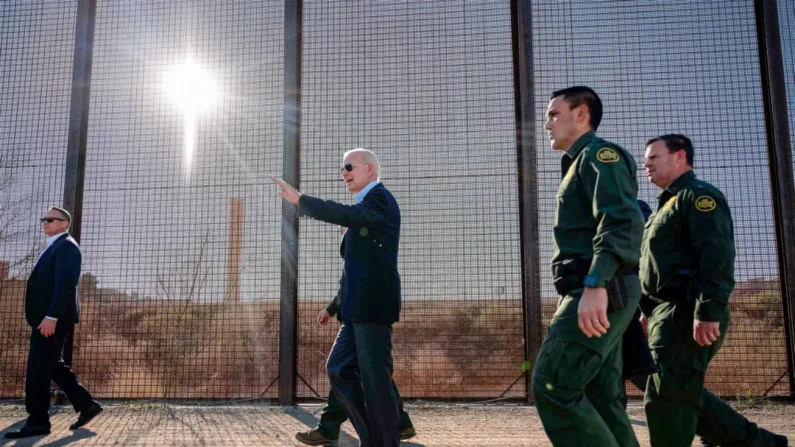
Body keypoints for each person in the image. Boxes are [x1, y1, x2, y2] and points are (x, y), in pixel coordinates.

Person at [640, 134, 788, 447]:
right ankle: (758, 443)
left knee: (668, 398)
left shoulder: (698, 197)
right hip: (665, 313)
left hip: (687, 308)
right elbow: (653, 269)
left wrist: (707, 311)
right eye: (646, 159)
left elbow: (716, 257)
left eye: (654, 157)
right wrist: (647, 312)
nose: (646, 164)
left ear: (679, 157)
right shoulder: (661, 209)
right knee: (676, 389)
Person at [532, 86, 644, 447]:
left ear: (581, 114)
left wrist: (595, 285)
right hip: (602, 289)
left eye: (553, 114)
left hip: (599, 289)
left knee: (554, 384)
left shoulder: (600, 155)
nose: (546, 124)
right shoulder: (580, 162)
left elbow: (621, 221)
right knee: (600, 396)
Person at [272, 148, 401, 447]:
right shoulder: (363, 209)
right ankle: (374, 438)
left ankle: (383, 441)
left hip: (372, 307)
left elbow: (349, 215)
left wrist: (301, 201)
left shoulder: (379, 198)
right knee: (338, 369)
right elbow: (352, 270)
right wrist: (334, 307)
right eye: (342, 168)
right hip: (353, 311)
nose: (343, 173)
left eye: (348, 166)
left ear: (369, 169)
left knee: (376, 382)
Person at [4, 207, 102, 439]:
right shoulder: (55, 245)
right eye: (43, 218)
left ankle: (38, 422)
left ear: (64, 223)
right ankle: (86, 405)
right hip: (47, 317)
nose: (45, 222)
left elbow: (66, 284)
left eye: (50, 219)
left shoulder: (67, 246)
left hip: (53, 318)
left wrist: (52, 316)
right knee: (51, 363)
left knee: (38, 368)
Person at [296, 282, 416, 445]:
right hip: (358, 315)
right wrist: (331, 309)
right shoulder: (355, 260)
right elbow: (349, 283)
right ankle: (330, 428)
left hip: (367, 315)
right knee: (346, 370)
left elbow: (354, 282)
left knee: (357, 371)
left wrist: (331, 309)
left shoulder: (365, 259)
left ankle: (330, 428)